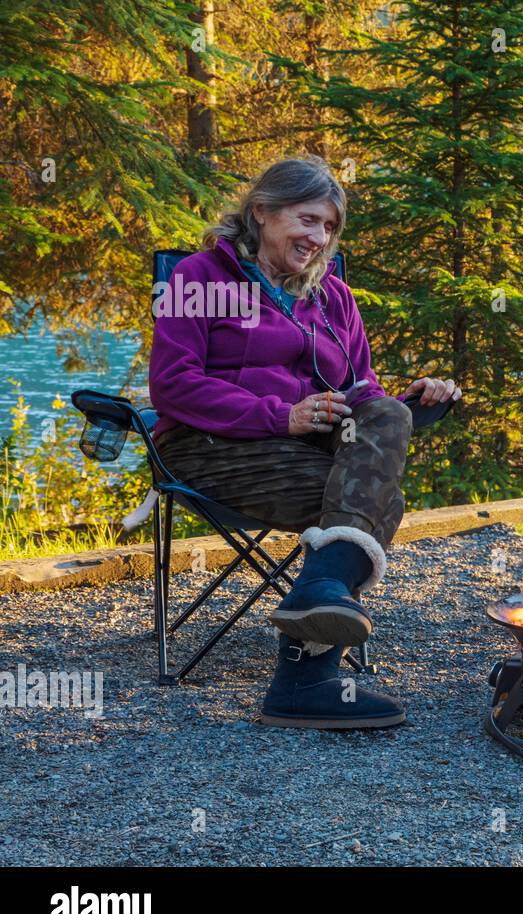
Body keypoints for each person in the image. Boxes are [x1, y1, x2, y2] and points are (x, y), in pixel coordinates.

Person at [149, 156, 461, 729]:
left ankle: (314, 604)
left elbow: (360, 389)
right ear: (262, 212)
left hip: (306, 448)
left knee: (387, 414)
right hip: (208, 446)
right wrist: (281, 416)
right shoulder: (198, 279)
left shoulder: (334, 297)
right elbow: (173, 385)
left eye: (330, 228)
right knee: (378, 502)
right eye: (309, 220)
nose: (319, 239)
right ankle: (304, 673)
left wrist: (417, 404)